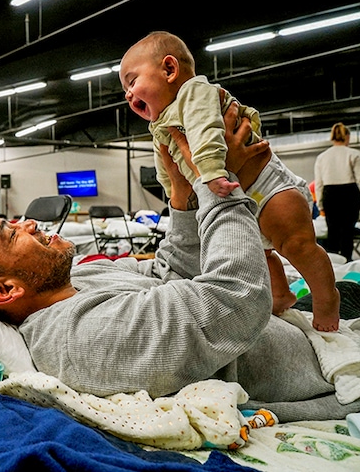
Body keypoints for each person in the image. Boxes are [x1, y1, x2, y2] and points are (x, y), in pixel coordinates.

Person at [0, 111, 360, 422]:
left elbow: (174, 278)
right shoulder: (79, 338)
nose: (28, 222)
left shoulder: (81, 277)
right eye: (12, 234)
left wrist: (182, 193)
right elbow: (235, 301)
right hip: (323, 365)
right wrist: (217, 178)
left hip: (311, 328)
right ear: (4, 290)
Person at [118, 31, 339, 332]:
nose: (128, 94)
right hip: (236, 200)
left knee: (298, 246)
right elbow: (166, 168)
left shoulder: (194, 93)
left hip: (268, 188)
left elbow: (208, 133)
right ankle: (280, 294)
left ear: (169, 70)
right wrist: (174, 193)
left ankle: (327, 299)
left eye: (132, 81)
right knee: (256, 255)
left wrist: (209, 172)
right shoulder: (161, 125)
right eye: (125, 90)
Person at [314, 122, 360, 261]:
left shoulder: (322, 157)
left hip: (330, 194)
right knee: (347, 233)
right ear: (347, 137)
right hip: (349, 193)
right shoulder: (355, 154)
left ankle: (332, 264)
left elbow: (319, 184)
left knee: (332, 233)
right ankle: (347, 261)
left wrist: (320, 206)